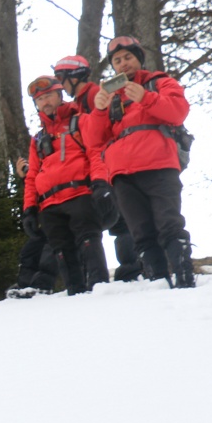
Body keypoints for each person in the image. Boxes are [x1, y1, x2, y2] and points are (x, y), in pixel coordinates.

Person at [90, 36, 194, 287]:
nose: (123, 64)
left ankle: (184, 278)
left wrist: (146, 98)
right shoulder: (111, 95)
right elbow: (94, 139)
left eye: (128, 57)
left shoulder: (159, 82)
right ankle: (157, 280)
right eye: (117, 60)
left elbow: (178, 111)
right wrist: (99, 110)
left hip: (159, 164)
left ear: (139, 59)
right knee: (141, 232)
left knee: (169, 223)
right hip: (123, 174)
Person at [51, 54, 143, 283]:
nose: (61, 85)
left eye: (61, 79)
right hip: (101, 166)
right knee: (118, 219)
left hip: (109, 164)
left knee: (122, 219)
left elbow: (102, 131)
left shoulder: (92, 95)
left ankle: (133, 269)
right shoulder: (79, 102)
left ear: (73, 77)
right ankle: (131, 268)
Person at [22, 75, 108, 295]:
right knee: (62, 250)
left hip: (80, 193)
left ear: (60, 96)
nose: (45, 101)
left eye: (49, 95)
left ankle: (100, 289)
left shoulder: (80, 121)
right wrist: (29, 209)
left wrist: (100, 183)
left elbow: (95, 152)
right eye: (39, 99)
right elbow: (32, 175)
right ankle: (75, 294)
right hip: (49, 204)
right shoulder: (38, 138)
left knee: (89, 240)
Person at [8, 156, 61, 298]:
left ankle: (43, 285)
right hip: (46, 215)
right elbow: (33, 190)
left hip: (64, 210)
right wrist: (26, 177)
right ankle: (24, 285)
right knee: (30, 251)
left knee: (50, 249)